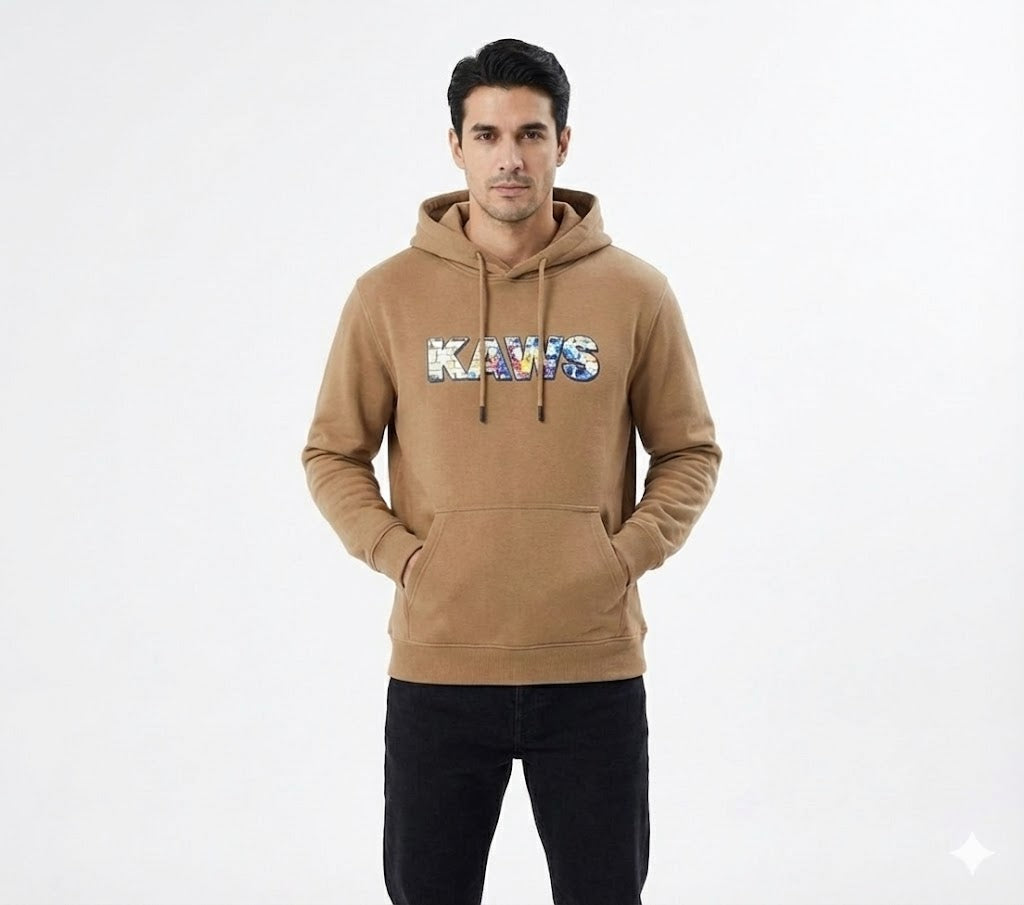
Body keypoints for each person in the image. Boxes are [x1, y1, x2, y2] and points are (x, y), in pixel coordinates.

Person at [301, 37, 722, 905]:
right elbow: (333, 452)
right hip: (440, 668)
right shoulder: (388, 296)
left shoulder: (634, 292)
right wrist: (406, 559)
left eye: (530, 133)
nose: (509, 158)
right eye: (487, 135)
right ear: (455, 146)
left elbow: (688, 450)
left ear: (563, 142)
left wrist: (621, 557)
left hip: (592, 668)